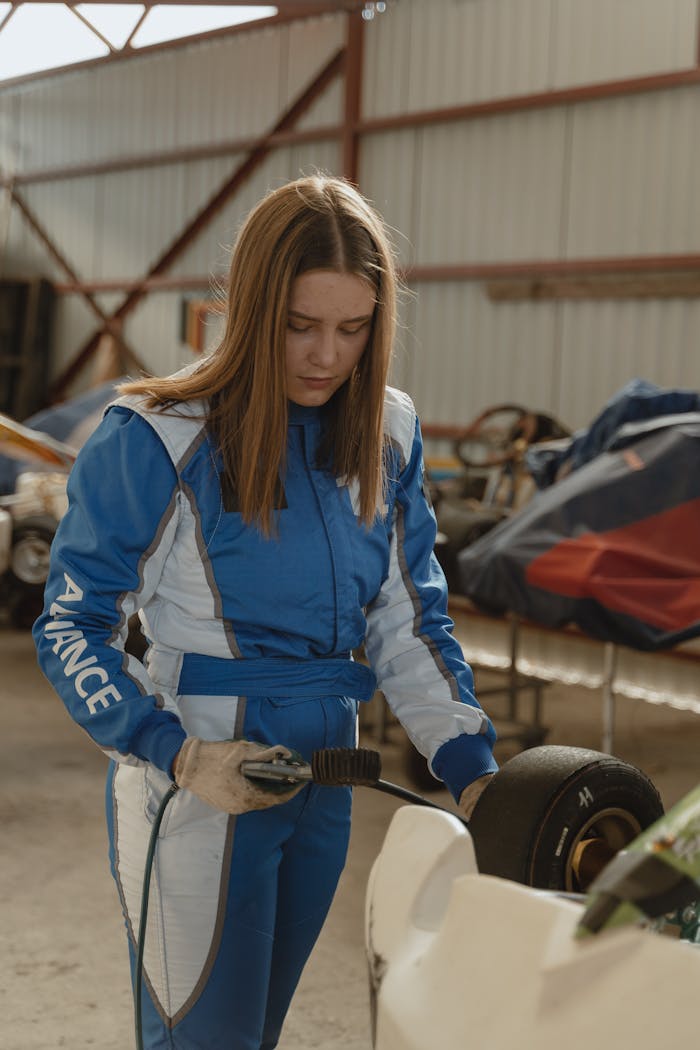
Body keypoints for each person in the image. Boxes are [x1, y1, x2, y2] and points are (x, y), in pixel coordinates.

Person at [33, 174, 497, 1050]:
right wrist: (176, 752)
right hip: (201, 783)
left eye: (352, 330)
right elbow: (71, 626)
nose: (326, 355)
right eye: (299, 326)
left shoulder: (386, 431)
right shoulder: (156, 434)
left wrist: (474, 768)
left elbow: (408, 617)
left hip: (325, 779)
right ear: (250, 309)